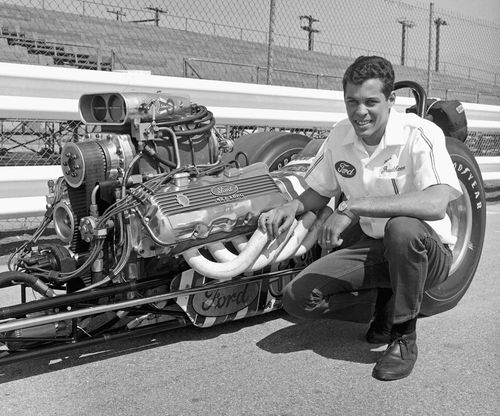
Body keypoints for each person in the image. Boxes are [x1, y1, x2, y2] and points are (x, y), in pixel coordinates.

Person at [258, 55, 462, 381]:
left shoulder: (421, 134)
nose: (359, 112)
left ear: (391, 100)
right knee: (297, 300)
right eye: (351, 101)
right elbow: (319, 190)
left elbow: (437, 203)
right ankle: (384, 303)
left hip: (426, 252)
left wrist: (353, 206)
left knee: (402, 229)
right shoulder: (340, 136)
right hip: (375, 248)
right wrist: (290, 208)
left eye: (370, 102)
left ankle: (403, 337)